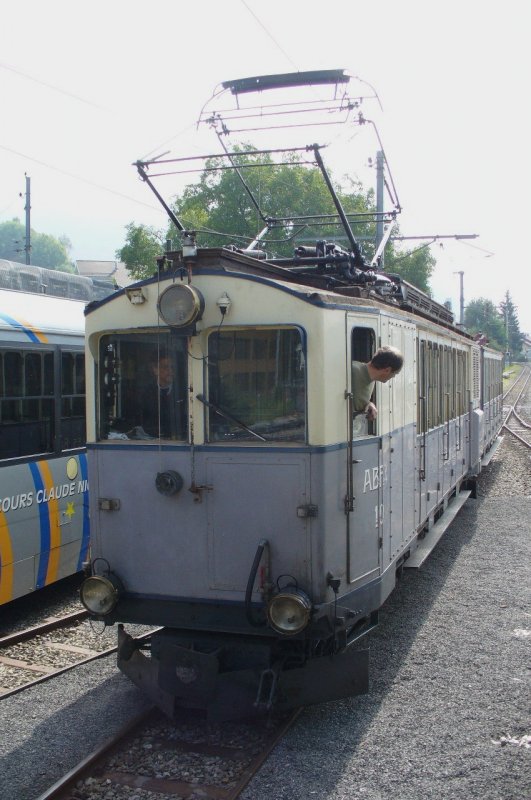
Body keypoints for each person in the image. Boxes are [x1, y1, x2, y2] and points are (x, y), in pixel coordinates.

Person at [351, 346, 403, 421]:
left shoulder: (372, 380)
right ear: (387, 370)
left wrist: (369, 404)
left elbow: (357, 399)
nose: (394, 377)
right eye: (395, 373)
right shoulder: (352, 371)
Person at [139, 351, 184, 438]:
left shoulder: (185, 391)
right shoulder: (146, 393)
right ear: (155, 370)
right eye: (166, 367)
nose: (171, 371)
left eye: (172, 367)